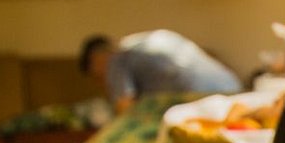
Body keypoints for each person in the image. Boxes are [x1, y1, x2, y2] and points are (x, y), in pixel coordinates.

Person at [80, 30, 242, 114]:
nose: (102, 82)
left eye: (97, 77)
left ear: (95, 60)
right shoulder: (138, 42)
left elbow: (125, 109)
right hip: (231, 86)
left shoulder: (116, 60)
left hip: (201, 97)